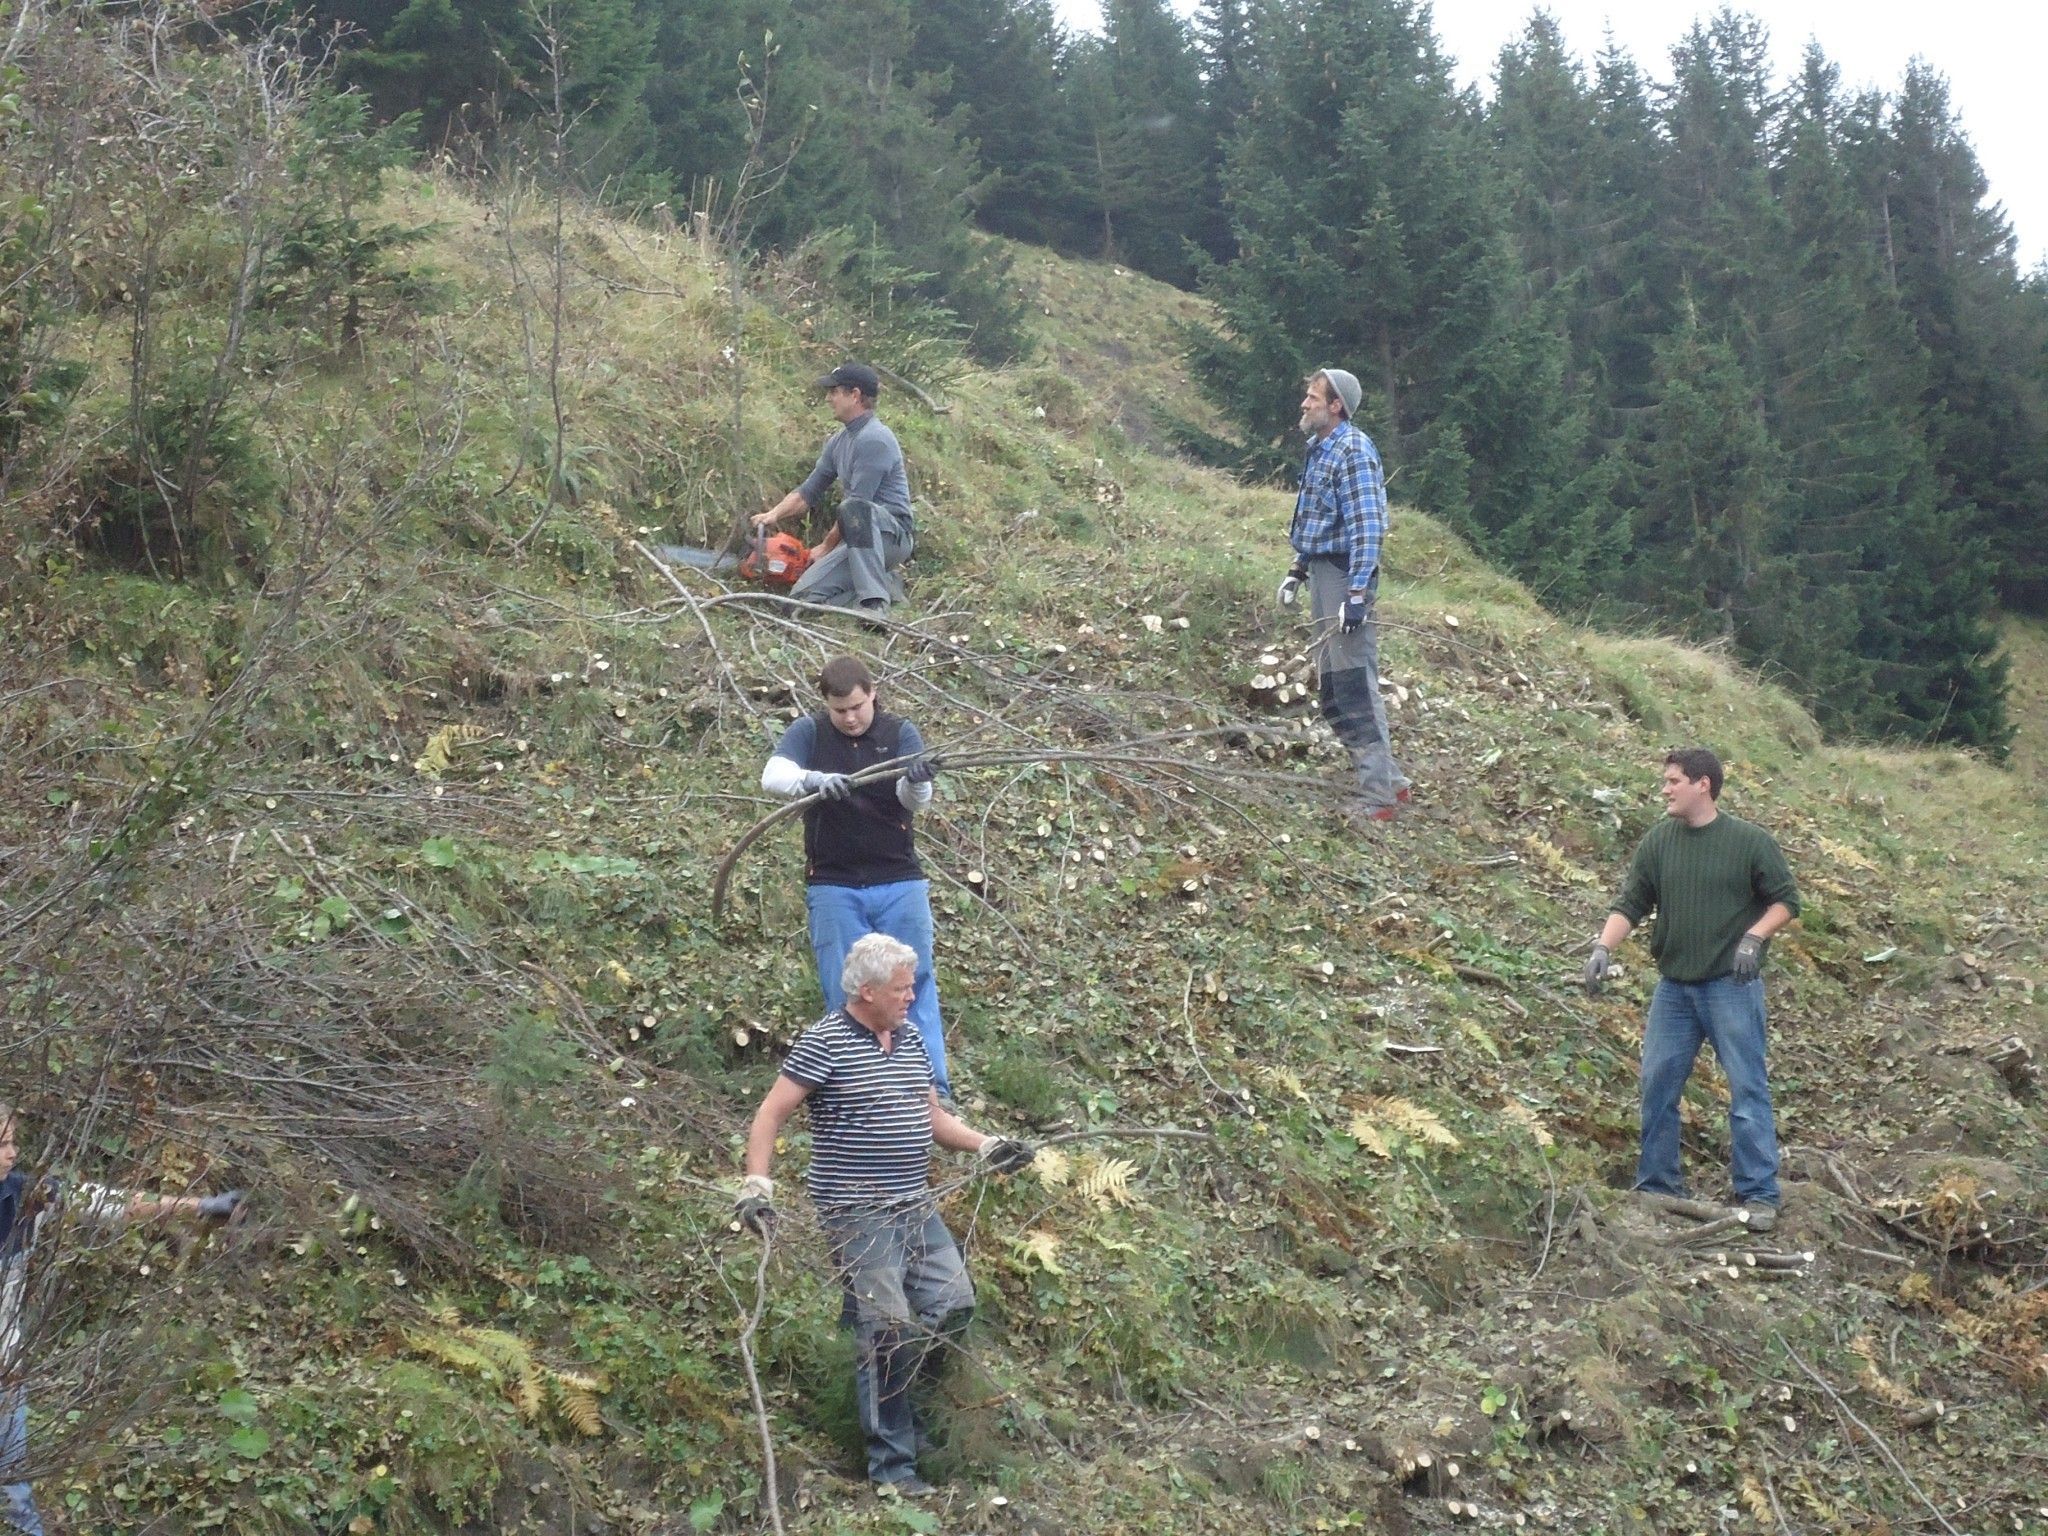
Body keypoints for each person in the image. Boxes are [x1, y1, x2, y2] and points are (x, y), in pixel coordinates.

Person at [736, 934, 1034, 1499]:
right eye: (901, 988)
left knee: (954, 1305)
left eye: (911, 985)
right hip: (855, 1209)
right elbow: (770, 1114)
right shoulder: (824, 1042)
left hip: (912, 1202)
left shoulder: (911, 1037)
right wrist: (757, 1182)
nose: (911, 995)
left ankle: (908, 1413)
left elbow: (932, 1119)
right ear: (867, 990)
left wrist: (986, 1144)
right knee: (889, 1330)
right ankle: (892, 1468)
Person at [1582, 749, 1800, 1229]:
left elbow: (1786, 900)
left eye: (1673, 781)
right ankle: (1657, 1185)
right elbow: (1631, 901)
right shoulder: (1659, 842)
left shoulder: (1748, 842)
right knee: (1657, 1083)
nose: (1664, 789)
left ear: (1703, 785)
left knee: (1746, 1087)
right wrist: (1603, 947)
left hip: (1731, 988)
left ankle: (1759, 1195)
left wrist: (1753, 937)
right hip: (1675, 990)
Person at [0, 1103, 243, 1535]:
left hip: (6, 1367)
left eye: (13, 1142)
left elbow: (113, 1203)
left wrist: (199, 1205)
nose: (12, 1153)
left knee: (16, 1490)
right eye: (1, 1144)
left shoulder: (25, 1194)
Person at [761, 654, 954, 1099]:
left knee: (915, 984)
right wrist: (812, 780)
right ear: (826, 705)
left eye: (857, 708)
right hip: (834, 884)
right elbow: (774, 776)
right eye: (839, 710)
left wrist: (919, 780)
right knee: (848, 991)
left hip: (898, 879)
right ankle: (859, 1087)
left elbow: (912, 799)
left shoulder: (898, 732)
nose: (849, 719)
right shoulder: (809, 732)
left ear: (873, 695)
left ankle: (929, 1092)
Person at [1277, 367, 1408, 819]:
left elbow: (1367, 527)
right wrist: (1297, 568)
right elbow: (1319, 520)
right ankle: (1392, 783)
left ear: (1336, 406)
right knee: (1333, 684)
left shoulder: (1352, 451)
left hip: (1344, 578)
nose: (1304, 403)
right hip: (1322, 573)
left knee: (1353, 684)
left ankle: (1379, 797)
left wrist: (1356, 595)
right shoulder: (1320, 449)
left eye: (1313, 397)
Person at [753, 362, 915, 617]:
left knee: (853, 507)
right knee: (800, 602)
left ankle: (874, 604)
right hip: (859, 537)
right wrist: (773, 514)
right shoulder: (839, 441)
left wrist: (826, 546)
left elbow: (858, 506)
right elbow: (808, 492)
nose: (828, 398)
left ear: (855, 395)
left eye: (834, 391)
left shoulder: (875, 439)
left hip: (889, 534)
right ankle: (887, 587)